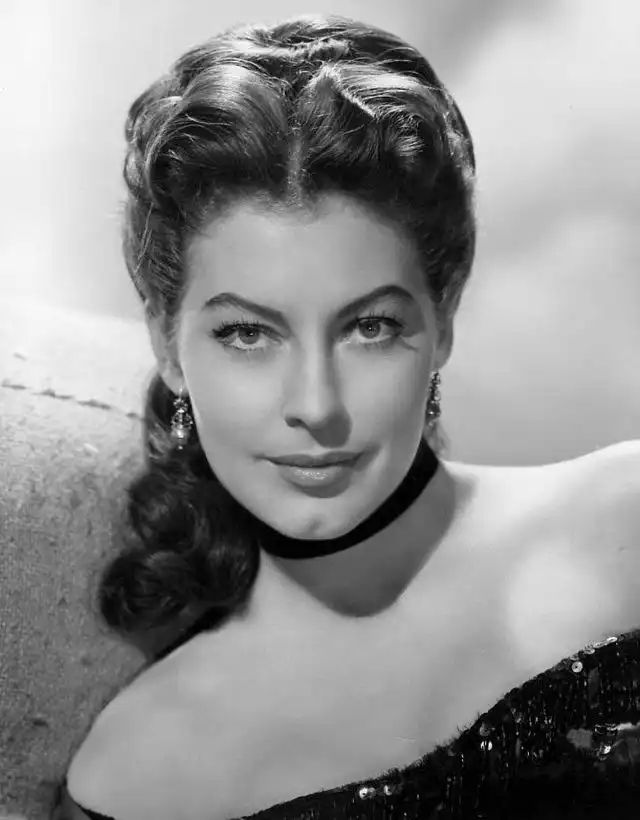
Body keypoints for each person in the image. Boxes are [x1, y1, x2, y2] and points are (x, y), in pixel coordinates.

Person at [53, 12, 640, 820]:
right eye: (248, 335)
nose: (317, 407)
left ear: (443, 318)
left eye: (370, 327)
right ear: (166, 340)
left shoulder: (624, 522)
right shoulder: (137, 769)